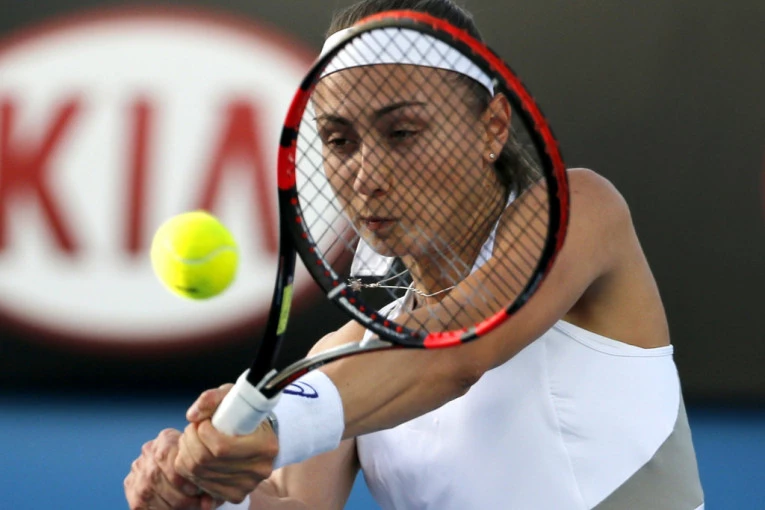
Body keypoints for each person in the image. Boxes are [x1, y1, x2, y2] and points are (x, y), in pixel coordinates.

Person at [124, 1, 705, 509]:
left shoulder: (580, 209)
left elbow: (455, 351)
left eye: (402, 133)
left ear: (492, 127)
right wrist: (207, 496)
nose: (367, 177)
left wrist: (276, 426)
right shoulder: (345, 357)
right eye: (339, 140)